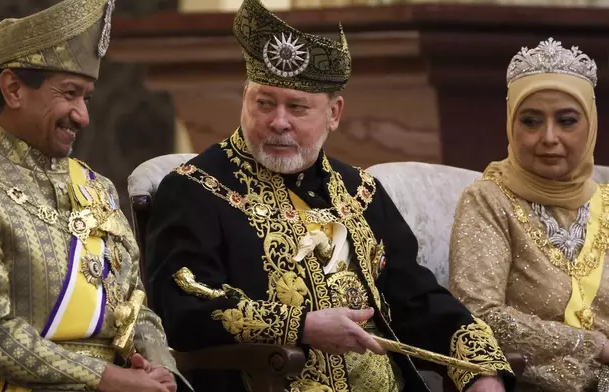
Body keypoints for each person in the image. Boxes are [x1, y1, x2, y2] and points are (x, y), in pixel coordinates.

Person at [145, 0, 515, 391]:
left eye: (298, 107)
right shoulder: (195, 189)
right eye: (264, 103)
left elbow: (417, 299)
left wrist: (479, 369)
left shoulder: (360, 191)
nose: (278, 122)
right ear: (244, 99)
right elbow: (182, 307)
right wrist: (302, 327)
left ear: (334, 113)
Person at [0, 0, 192, 391]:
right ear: (13, 88)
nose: (83, 115)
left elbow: (137, 308)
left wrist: (159, 369)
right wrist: (105, 379)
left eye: (86, 97)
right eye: (69, 93)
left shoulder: (97, 187)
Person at [449, 38, 609, 392]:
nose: (549, 137)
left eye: (566, 121)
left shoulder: (607, 202)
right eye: (531, 121)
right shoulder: (489, 200)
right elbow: (478, 315)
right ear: (511, 124)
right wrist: (593, 345)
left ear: (591, 124)